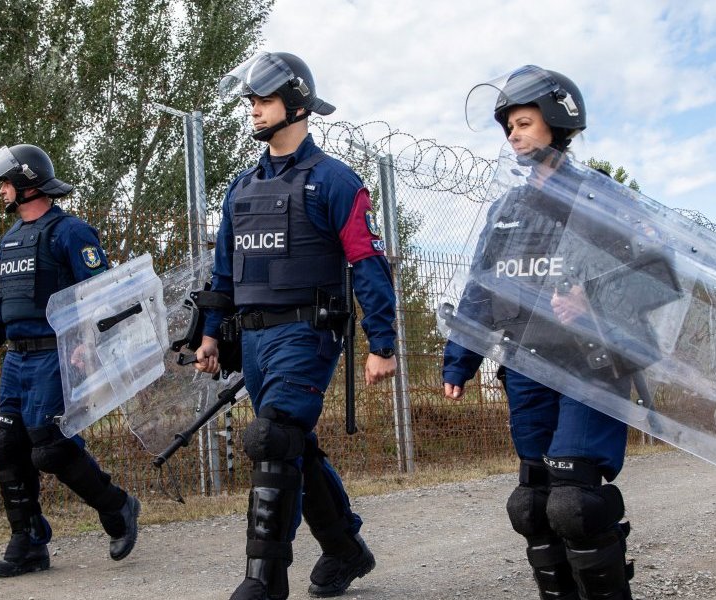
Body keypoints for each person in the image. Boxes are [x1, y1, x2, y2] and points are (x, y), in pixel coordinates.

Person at [195, 51, 398, 600]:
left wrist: (382, 342)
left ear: (297, 105)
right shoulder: (241, 188)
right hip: (254, 339)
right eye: (251, 101)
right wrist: (211, 333)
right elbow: (223, 271)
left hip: (308, 333)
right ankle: (345, 549)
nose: (253, 110)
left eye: (264, 100)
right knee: (291, 446)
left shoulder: (334, 181)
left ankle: (264, 581)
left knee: (272, 436)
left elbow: (367, 262)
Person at [443, 66, 640, 599]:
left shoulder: (602, 200)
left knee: (576, 502)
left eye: (524, 123)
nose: (513, 135)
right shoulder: (506, 208)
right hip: (525, 364)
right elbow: (481, 286)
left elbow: (652, 277)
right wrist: (459, 359)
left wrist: (593, 300)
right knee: (532, 504)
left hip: (588, 366)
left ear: (557, 122)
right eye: (509, 127)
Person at [0, 143, 140, 577]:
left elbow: (103, 294)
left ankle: (118, 506)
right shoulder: (9, 240)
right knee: (6, 446)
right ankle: (29, 542)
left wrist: (87, 340)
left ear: (28, 184)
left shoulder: (70, 232)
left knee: (51, 448)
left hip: (54, 358)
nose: (1, 190)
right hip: (16, 361)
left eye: (5, 182)